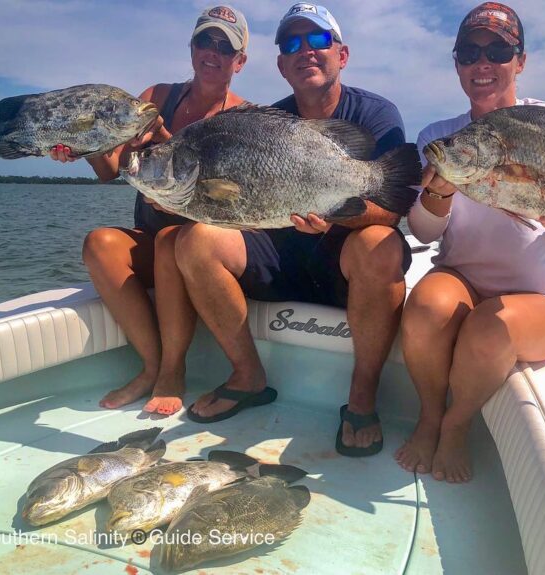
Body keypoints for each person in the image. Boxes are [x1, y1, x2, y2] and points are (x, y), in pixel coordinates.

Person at [158, 2, 411, 456]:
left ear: (342, 54)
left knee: (381, 244)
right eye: (292, 44)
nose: (305, 52)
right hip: (282, 251)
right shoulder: (265, 122)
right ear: (280, 64)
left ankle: (362, 396)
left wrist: (332, 216)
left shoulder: (376, 112)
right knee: (196, 240)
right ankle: (247, 376)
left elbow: (390, 209)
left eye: (317, 40)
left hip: (343, 263)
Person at [394, 2, 545, 482]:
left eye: (498, 50)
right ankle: (428, 415)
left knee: (489, 326)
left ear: (519, 61)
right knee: (422, 309)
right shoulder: (439, 137)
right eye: (469, 52)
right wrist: (438, 197)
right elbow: (423, 233)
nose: (482, 63)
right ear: (458, 64)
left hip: (543, 299)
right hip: (462, 277)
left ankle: (455, 426)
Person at [49, 6, 249, 415]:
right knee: (99, 244)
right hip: (153, 232)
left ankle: (172, 371)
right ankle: (151, 365)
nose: (212, 51)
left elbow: (230, 200)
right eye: (204, 41)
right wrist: (83, 148)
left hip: (201, 240)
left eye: (224, 46)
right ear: (191, 49)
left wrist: (165, 138)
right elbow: (110, 170)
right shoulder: (157, 98)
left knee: (171, 240)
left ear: (239, 61)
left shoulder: (243, 117)